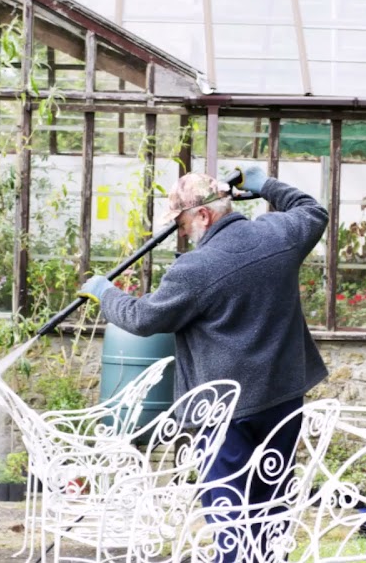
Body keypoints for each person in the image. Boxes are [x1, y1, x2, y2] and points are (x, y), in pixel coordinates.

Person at [78, 166, 328, 561]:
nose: (180, 232)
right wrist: (265, 186)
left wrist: (106, 294)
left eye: (181, 222)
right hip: (282, 398)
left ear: (204, 215)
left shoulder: (196, 269)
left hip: (225, 408)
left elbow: (144, 319)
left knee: (227, 502)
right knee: (271, 496)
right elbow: (312, 210)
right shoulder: (278, 235)